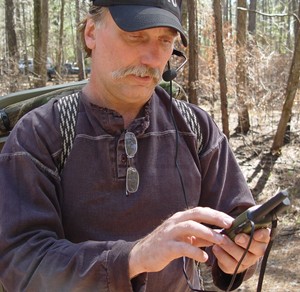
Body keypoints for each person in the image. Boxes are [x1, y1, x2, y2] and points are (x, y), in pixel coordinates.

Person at [0, 1, 270, 291]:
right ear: (91, 33)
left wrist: (240, 255)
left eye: (165, 40)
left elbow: (237, 222)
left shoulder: (196, 127)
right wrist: (133, 258)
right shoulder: (41, 133)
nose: (154, 58)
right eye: (136, 36)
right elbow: (19, 263)